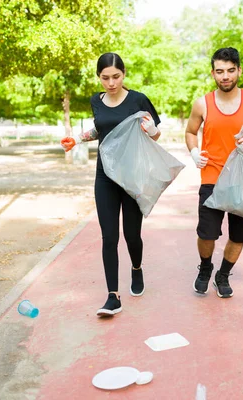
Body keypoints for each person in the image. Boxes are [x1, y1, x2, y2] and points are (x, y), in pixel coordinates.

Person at [61, 53, 161, 317]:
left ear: (124, 74)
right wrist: (78, 139)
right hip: (105, 175)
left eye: (116, 77)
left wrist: (150, 131)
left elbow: (156, 132)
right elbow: (100, 130)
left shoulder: (138, 99)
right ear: (99, 77)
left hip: (132, 177)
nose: (111, 82)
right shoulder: (96, 100)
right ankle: (113, 296)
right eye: (105, 78)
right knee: (109, 237)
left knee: (131, 235)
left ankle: (137, 268)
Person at [184, 47, 243, 298]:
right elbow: (191, 132)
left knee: (239, 235)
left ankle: (222, 275)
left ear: (239, 71)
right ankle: (205, 268)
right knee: (207, 233)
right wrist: (193, 151)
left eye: (230, 71)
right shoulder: (202, 103)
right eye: (220, 71)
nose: (225, 76)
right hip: (212, 176)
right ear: (213, 73)